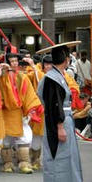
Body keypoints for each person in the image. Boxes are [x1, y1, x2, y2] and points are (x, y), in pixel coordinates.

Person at [37, 41, 83, 182]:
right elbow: (54, 105)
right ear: (66, 59)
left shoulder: (58, 76)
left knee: (68, 157)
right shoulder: (52, 78)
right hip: (59, 122)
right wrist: (60, 127)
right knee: (59, 158)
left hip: (64, 119)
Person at [0, 52, 43, 174]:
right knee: (6, 141)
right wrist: (0, 72)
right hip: (6, 113)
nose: (14, 63)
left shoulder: (23, 77)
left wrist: (30, 111)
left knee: (25, 138)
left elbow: (30, 94)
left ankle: (24, 163)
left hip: (20, 114)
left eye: (16, 61)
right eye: (12, 61)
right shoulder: (1, 77)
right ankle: (7, 164)